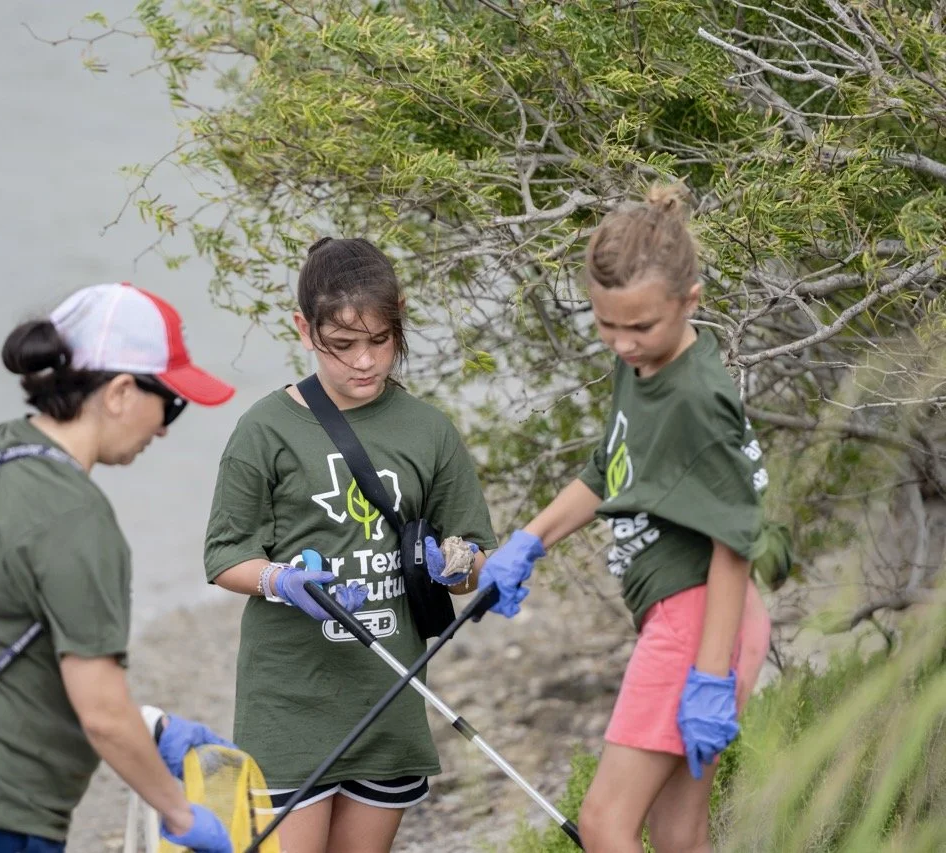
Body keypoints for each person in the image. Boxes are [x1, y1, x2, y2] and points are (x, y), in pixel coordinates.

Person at [0, 282, 238, 853]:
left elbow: (6, 633)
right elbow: (101, 714)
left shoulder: (0, 451)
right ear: (119, 392)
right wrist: (180, 814)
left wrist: (151, 727)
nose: (165, 426)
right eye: (171, 402)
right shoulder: (76, 519)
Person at [479, 186, 773, 853]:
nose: (623, 341)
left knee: (606, 822)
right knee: (677, 833)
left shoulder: (696, 398)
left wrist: (707, 678)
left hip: (698, 617)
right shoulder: (640, 365)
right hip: (692, 616)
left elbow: (736, 540)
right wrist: (530, 539)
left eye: (640, 326)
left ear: (690, 300)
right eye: (607, 324)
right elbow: (607, 467)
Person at [203, 237, 499, 853]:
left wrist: (460, 564)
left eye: (380, 340)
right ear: (303, 330)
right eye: (342, 346)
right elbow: (225, 554)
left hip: (389, 695)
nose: (364, 361)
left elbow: (475, 559)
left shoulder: (428, 430)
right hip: (289, 705)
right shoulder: (266, 429)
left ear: (400, 321)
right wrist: (281, 580)